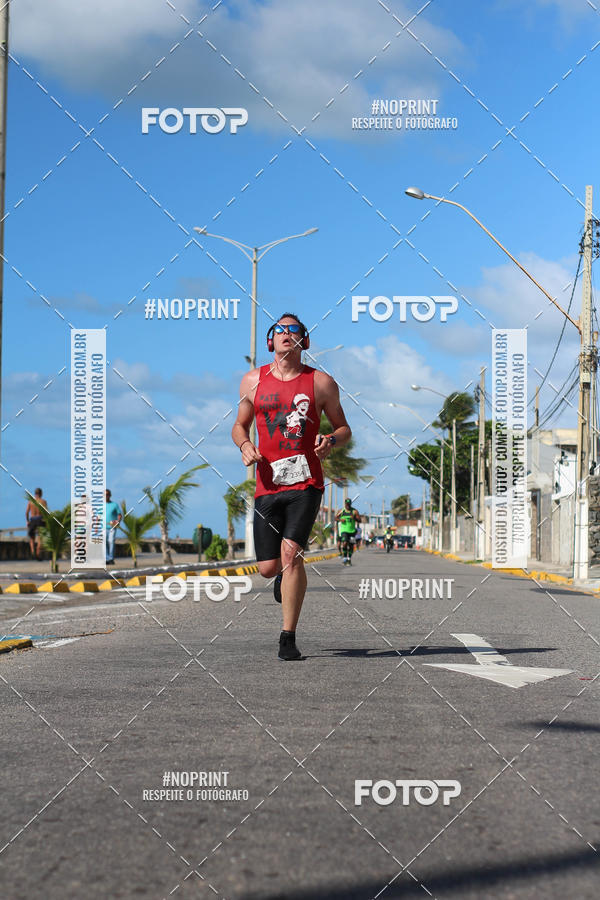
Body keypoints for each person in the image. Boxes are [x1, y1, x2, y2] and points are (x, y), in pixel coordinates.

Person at [232, 312, 352, 660]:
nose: (287, 334)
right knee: (269, 567)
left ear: (304, 341)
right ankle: (281, 580)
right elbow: (239, 425)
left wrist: (330, 439)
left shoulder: (321, 383)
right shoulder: (252, 381)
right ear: (271, 341)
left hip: (307, 481)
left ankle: (288, 637)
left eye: (294, 330)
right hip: (267, 484)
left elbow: (344, 429)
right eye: (280, 330)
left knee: (291, 555)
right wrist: (245, 445)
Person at [335, 498, 361, 565]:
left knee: (351, 545)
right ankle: (344, 557)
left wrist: (354, 518)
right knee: (345, 543)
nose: (348, 506)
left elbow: (359, 520)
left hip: (352, 531)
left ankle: (349, 558)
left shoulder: (354, 511)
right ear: (345, 504)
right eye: (346, 504)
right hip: (344, 531)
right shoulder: (341, 511)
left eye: (349, 504)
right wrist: (340, 520)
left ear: (350, 504)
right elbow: (335, 518)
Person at [25, 488, 47, 559]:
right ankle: (37, 551)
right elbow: (46, 513)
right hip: (40, 519)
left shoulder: (30, 502)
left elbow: (27, 513)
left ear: (35, 493)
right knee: (40, 537)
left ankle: (32, 550)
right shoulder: (43, 501)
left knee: (32, 537)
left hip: (33, 519)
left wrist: (27, 521)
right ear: (41, 493)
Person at [105, 489, 122, 565]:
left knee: (111, 542)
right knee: (104, 543)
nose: (106, 496)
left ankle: (111, 558)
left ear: (110, 495)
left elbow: (119, 514)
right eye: (105, 495)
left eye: (107, 494)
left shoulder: (114, 505)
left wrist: (118, 521)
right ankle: (106, 558)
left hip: (112, 527)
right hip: (103, 527)